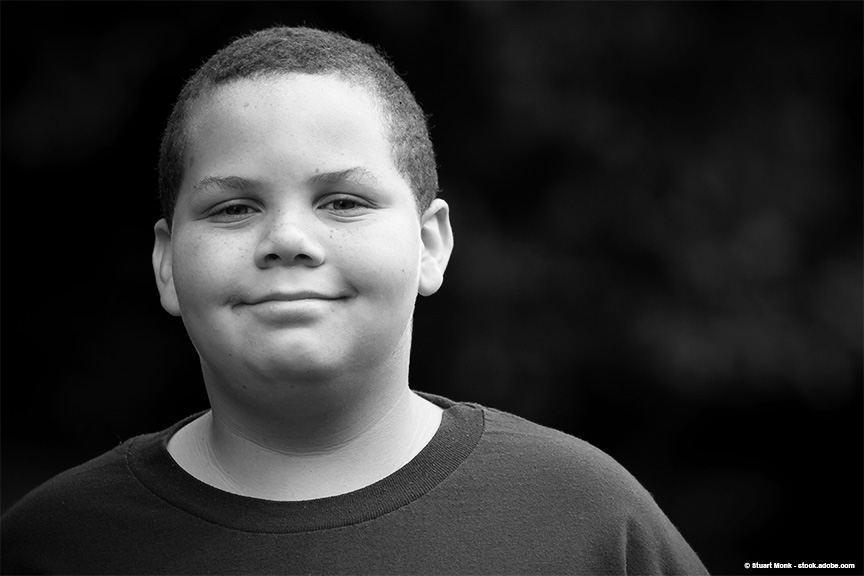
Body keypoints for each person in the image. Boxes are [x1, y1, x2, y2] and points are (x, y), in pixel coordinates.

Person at [0, 26, 708, 575]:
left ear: (430, 244)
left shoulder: (587, 520)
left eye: (342, 201)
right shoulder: (51, 546)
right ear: (165, 264)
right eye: (234, 208)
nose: (287, 239)